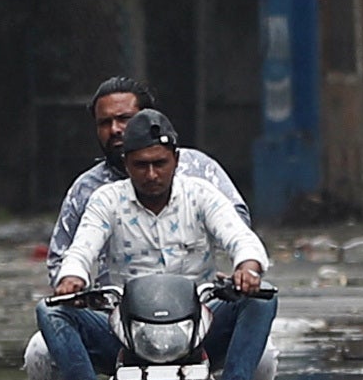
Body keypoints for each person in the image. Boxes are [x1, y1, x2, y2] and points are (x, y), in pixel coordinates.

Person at [38, 110, 275, 380]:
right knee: (49, 311)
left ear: (176, 160)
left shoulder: (201, 195)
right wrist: (72, 278)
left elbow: (241, 238)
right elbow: (82, 248)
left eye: (160, 163)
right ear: (125, 163)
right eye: (140, 165)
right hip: (127, 332)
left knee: (263, 299)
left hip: (197, 328)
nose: (151, 174)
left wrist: (247, 268)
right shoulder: (107, 200)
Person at [48, 76, 245, 272]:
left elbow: (238, 225)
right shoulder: (87, 189)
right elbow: (60, 259)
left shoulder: (198, 169)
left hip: (194, 293)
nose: (115, 129)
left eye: (124, 119)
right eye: (105, 123)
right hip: (117, 299)